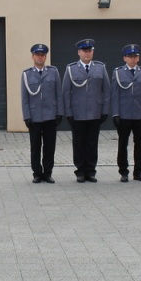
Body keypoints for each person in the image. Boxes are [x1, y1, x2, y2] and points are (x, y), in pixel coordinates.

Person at [61, 38, 110, 183]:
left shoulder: (100, 68)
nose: (87, 54)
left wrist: (105, 110)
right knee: (78, 143)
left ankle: (91, 171)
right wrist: (68, 112)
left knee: (92, 143)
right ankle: (80, 171)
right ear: (79, 52)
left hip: (95, 112)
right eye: (84, 51)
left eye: (90, 51)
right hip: (78, 113)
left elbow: (106, 91)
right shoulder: (71, 69)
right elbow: (66, 92)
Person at [111, 44, 141, 182]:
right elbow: (115, 95)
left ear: (138, 58)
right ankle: (123, 171)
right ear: (124, 58)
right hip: (124, 115)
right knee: (123, 144)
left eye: (135, 56)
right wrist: (115, 114)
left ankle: (138, 172)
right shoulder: (118, 72)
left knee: (139, 144)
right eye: (130, 56)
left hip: (140, 114)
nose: (133, 59)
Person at [21, 43, 61, 184]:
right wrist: (27, 116)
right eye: (37, 55)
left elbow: (58, 94)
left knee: (49, 147)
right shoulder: (26, 74)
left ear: (45, 57)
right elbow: (25, 98)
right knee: (35, 147)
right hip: (35, 116)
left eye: (42, 55)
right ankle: (37, 173)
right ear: (33, 56)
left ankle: (48, 173)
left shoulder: (53, 72)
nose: (40, 57)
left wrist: (59, 113)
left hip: (50, 115)